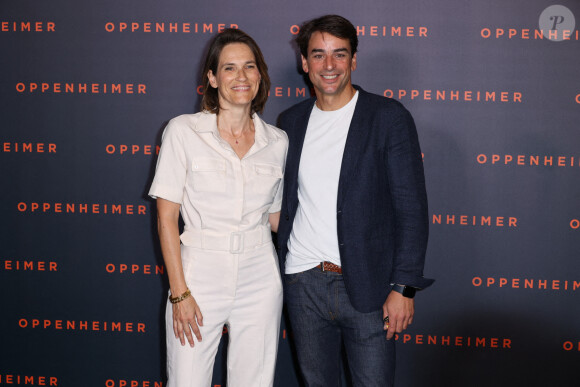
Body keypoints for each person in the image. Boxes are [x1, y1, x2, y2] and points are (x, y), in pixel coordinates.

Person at [277, 15, 434, 386]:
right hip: (303, 284)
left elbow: (411, 210)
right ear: (304, 63)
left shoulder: (387, 117)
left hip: (369, 286)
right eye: (318, 55)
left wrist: (404, 288)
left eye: (339, 54)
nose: (328, 66)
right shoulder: (291, 121)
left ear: (353, 60)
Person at [149, 28, 288, 387]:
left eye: (249, 66)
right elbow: (167, 217)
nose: (241, 77)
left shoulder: (278, 141)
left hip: (260, 274)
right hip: (198, 274)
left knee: (254, 381)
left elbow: (276, 219)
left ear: (260, 75)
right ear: (212, 78)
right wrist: (179, 292)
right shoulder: (183, 132)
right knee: (187, 380)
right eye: (229, 68)